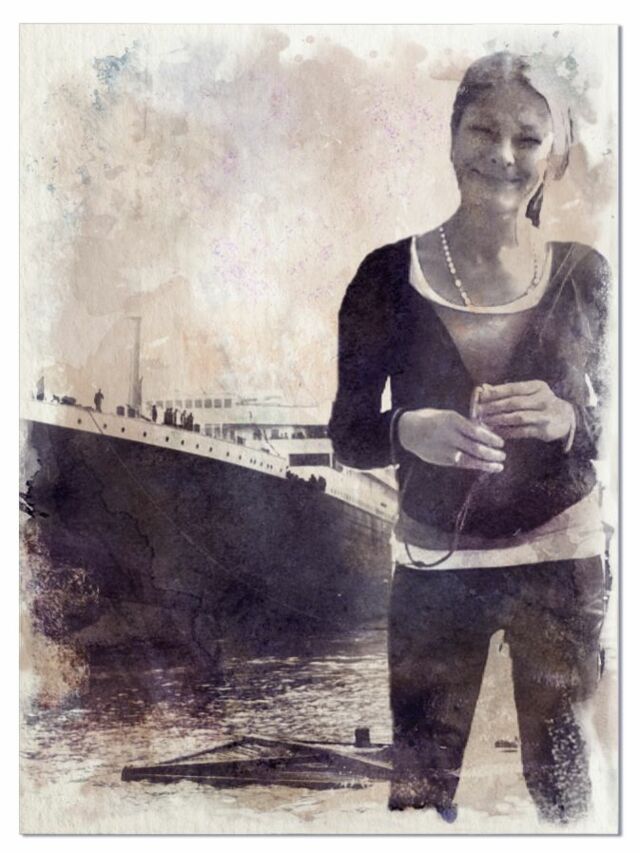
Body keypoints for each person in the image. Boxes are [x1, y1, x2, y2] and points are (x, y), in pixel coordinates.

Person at [328, 52, 612, 825]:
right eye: (483, 131)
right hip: (434, 569)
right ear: (452, 138)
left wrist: (568, 420)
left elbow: (618, 430)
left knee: (566, 794)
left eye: (528, 138)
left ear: (554, 155)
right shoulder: (384, 276)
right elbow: (347, 434)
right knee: (422, 793)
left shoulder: (588, 276)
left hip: (561, 567)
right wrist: (407, 429)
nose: (503, 155)